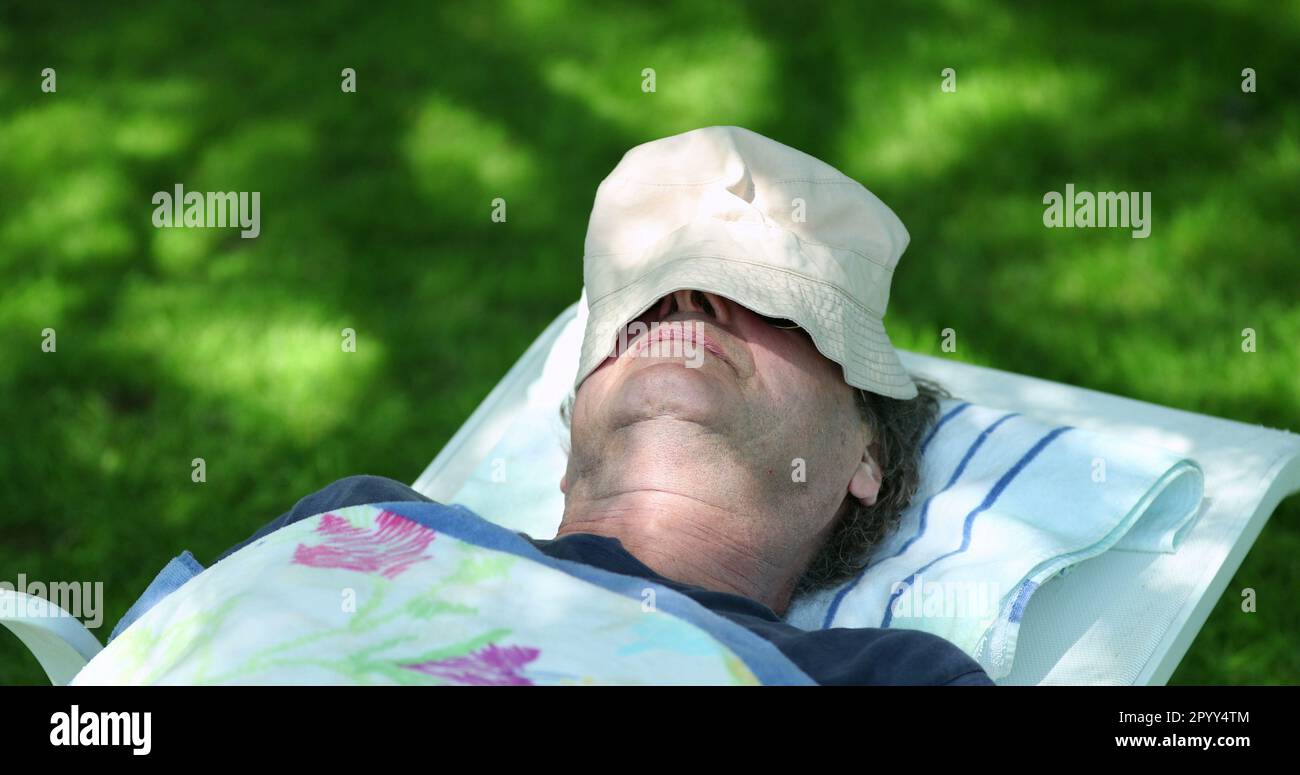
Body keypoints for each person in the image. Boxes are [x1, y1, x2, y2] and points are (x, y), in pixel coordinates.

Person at [206, 127, 995, 685]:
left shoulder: (894, 676)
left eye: (772, 307)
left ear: (867, 453)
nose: (685, 305)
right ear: (575, 428)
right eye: (646, 302)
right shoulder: (366, 520)